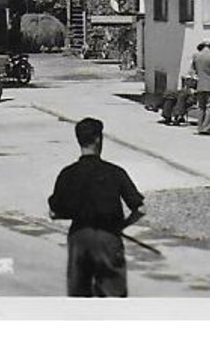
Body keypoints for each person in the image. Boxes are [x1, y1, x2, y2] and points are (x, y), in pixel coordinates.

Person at [48, 116, 146, 298]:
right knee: (113, 297)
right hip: (108, 237)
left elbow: (54, 212)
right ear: (98, 140)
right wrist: (122, 226)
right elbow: (140, 209)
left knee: (79, 297)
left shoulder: (67, 173)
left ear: (79, 140)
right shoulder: (115, 172)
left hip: (79, 237)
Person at [192, 40, 210, 134]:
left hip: (200, 84)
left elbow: (195, 69)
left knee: (201, 107)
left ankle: (200, 127)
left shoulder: (196, 56)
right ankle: (207, 128)